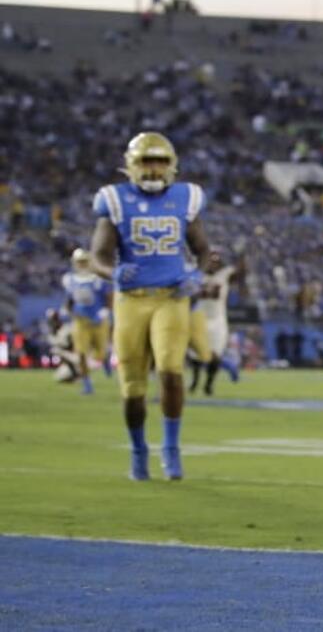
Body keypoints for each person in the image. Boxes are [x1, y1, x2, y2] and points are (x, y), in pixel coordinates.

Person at [90, 132, 209, 481]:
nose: (154, 169)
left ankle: (171, 448)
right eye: (146, 161)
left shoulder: (186, 198)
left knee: (171, 371)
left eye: (160, 161)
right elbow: (97, 254)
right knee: (133, 388)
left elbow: (203, 249)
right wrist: (112, 271)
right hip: (131, 300)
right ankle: (139, 448)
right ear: (132, 165)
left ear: (171, 165)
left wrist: (198, 275)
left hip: (172, 297)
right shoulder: (114, 200)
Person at [189, 251, 243, 395]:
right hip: (199, 316)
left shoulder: (224, 275)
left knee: (216, 354)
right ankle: (194, 382)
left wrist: (242, 255)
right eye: (210, 261)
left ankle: (208, 384)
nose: (212, 264)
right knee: (195, 354)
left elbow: (240, 273)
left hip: (217, 318)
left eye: (216, 262)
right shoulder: (196, 274)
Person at [62, 247, 113, 392]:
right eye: (79, 262)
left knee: (100, 352)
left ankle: (105, 359)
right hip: (80, 319)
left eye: (84, 261)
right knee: (81, 353)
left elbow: (109, 297)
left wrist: (106, 311)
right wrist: (65, 309)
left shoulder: (98, 280)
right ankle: (87, 383)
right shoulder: (70, 279)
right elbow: (69, 299)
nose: (82, 264)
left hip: (98, 320)